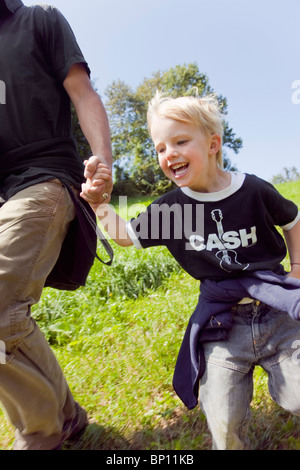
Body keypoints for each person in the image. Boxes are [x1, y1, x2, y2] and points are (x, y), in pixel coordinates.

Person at [81, 91, 300, 450]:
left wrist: (298, 270)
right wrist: (99, 203)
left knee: (297, 395)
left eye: (180, 141)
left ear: (213, 144)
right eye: (160, 148)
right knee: (223, 420)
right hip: (222, 324)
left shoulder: (254, 190)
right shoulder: (171, 209)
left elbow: (293, 220)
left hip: (276, 310)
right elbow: (124, 236)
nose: (169, 154)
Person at [0, 0, 113, 450]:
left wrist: (102, 161)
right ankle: (66, 418)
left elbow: (82, 92)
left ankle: (39, 434)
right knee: (7, 316)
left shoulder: (39, 20)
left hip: (46, 179)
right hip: (4, 192)